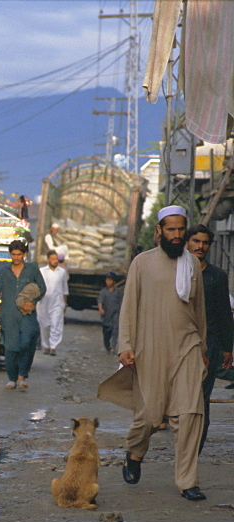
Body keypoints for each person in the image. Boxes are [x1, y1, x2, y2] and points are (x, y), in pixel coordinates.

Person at [116, 205, 208, 502]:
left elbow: (199, 311)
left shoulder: (192, 264)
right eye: (171, 229)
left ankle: (187, 481)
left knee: (190, 413)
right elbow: (129, 307)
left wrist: (203, 348)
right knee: (149, 415)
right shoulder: (142, 263)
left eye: (181, 229)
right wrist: (125, 345)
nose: (177, 235)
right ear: (159, 231)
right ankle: (134, 452)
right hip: (150, 347)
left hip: (187, 347)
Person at [185, 224, 234, 453]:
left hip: (211, 345)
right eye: (196, 241)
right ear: (187, 243)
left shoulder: (217, 277)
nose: (200, 246)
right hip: (180, 344)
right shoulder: (179, 272)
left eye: (205, 242)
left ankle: (194, 448)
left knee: (202, 398)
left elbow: (224, 312)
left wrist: (227, 347)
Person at [0, 240, 46, 389]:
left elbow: (42, 288)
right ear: (10, 254)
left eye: (19, 254)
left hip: (27, 314)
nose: (16, 257)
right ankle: (12, 378)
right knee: (11, 347)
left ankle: (23, 375)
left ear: (24, 254)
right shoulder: (4, 272)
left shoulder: (32, 269)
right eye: (13, 254)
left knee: (27, 343)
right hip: (8, 314)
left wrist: (33, 302)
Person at [37, 250, 69, 356]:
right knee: (44, 325)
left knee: (56, 324)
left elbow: (65, 288)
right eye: (53, 259)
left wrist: (65, 303)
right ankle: (46, 346)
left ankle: (53, 347)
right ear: (48, 260)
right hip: (43, 303)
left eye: (56, 259)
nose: (55, 261)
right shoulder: (42, 271)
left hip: (57, 303)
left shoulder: (62, 272)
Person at [97, 272, 123, 354]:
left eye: (110, 280)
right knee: (106, 333)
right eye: (107, 280)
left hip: (115, 314)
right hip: (106, 315)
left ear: (114, 282)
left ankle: (113, 347)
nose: (108, 282)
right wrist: (101, 309)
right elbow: (100, 301)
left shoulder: (118, 292)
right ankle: (108, 346)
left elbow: (122, 302)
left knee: (115, 331)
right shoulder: (103, 292)